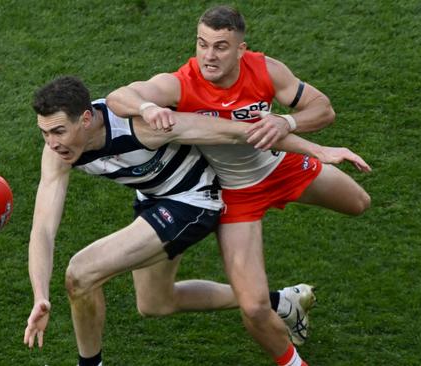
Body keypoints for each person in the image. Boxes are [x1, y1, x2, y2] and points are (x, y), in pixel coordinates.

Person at [23, 76, 370, 366]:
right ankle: (281, 302)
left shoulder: (143, 126)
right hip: (156, 200)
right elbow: (43, 228)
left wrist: (318, 151)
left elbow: (236, 131)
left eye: (58, 132)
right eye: (44, 134)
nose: (51, 144)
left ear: (86, 119)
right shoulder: (58, 153)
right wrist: (40, 295)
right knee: (155, 303)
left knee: (80, 273)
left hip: (195, 201)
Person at [106, 5, 372, 365]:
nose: (208, 56)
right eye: (202, 44)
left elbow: (323, 109)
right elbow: (118, 97)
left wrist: (287, 123)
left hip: (283, 167)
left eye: (220, 46)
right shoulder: (182, 83)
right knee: (253, 306)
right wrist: (148, 107)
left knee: (359, 203)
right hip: (235, 196)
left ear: (241, 50)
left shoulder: (265, 68)